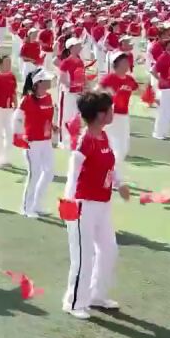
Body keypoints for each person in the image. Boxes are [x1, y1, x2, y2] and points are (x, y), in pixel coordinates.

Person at [62, 91, 128, 318]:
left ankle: (96, 296)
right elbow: (73, 173)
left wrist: (120, 184)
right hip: (83, 204)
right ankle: (74, 302)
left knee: (109, 249)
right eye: (109, 109)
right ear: (100, 115)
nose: (113, 112)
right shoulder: (85, 141)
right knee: (83, 255)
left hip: (102, 204)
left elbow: (111, 166)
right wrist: (69, 202)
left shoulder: (103, 137)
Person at [15, 68, 58, 218]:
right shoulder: (27, 100)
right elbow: (16, 119)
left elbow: (46, 117)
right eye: (46, 80)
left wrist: (52, 126)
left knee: (49, 172)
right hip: (32, 142)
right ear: (38, 83)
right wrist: (20, 136)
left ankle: (37, 204)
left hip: (45, 142)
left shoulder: (49, 97)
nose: (49, 82)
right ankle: (26, 208)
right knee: (34, 174)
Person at [97, 52, 138, 164]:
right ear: (117, 64)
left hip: (124, 116)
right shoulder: (110, 78)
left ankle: (111, 171)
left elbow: (137, 89)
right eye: (124, 61)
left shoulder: (129, 79)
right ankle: (110, 172)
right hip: (111, 115)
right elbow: (96, 91)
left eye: (127, 61)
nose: (127, 63)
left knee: (124, 147)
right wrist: (108, 95)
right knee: (111, 145)